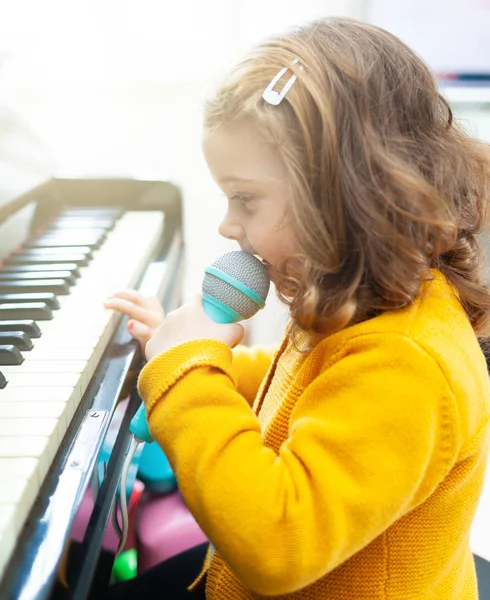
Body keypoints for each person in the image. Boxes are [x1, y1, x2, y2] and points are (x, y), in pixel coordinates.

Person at [103, 17, 490, 600]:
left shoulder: (408, 364)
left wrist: (188, 379)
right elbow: (304, 388)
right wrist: (207, 364)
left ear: (345, 194)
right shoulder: (363, 305)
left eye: (246, 199)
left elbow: (276, 542)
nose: (228, 225)